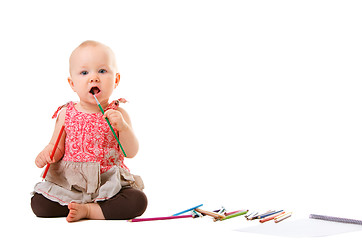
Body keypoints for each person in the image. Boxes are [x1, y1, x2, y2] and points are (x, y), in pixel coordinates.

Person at [31, 40, 147, 222]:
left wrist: (123, 127)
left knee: (137, 201)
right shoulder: (66, 113)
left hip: (107, 181)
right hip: (72, 183)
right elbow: (56, 146)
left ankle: (90, 210)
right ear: (72, 84)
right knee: (39, 204)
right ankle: (77, 205)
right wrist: (47, 154)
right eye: (84, 73)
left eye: (102, 71)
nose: (93, 78)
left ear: (116, 80)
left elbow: (131, 152)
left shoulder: (118, 113)